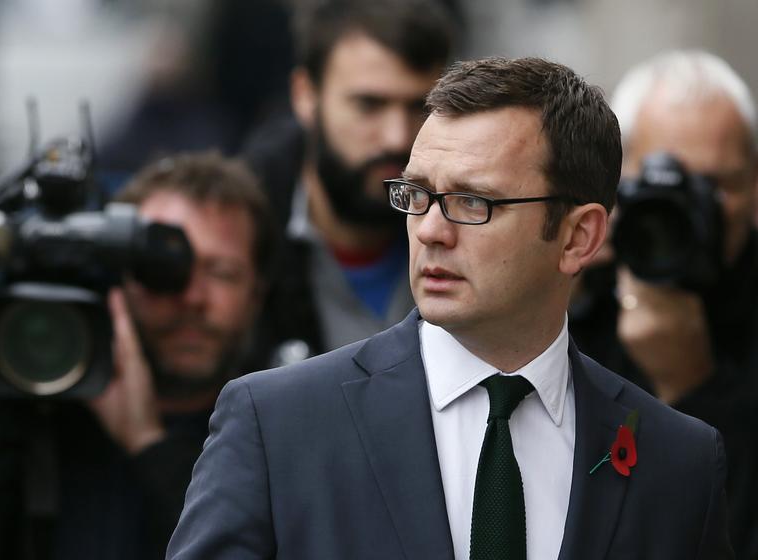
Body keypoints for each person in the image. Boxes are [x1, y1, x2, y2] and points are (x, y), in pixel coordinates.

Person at [167, 57, 732, 559]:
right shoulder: (276, 425)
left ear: (577, 237)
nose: (430, 230)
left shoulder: (679, 460)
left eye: (473, 201)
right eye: (416, 195)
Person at [0, 151, 277, 560]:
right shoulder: (37, 409)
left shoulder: (275, 435)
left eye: (222, 273)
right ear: (117, 278)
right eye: (161, 270)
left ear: (257, 295)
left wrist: (148, 445)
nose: (192, 297)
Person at [569, 50, 758, 558]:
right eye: (661, 182)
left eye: (716, 184)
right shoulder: (576, 295)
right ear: (614, 187)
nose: (691, 208)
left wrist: (694, 386)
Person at [242, 0, 456, 368]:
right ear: (305, 96)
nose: (396, 137)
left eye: (419, 107)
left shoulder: (480, 220)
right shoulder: (239, 238)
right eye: (369, 105)